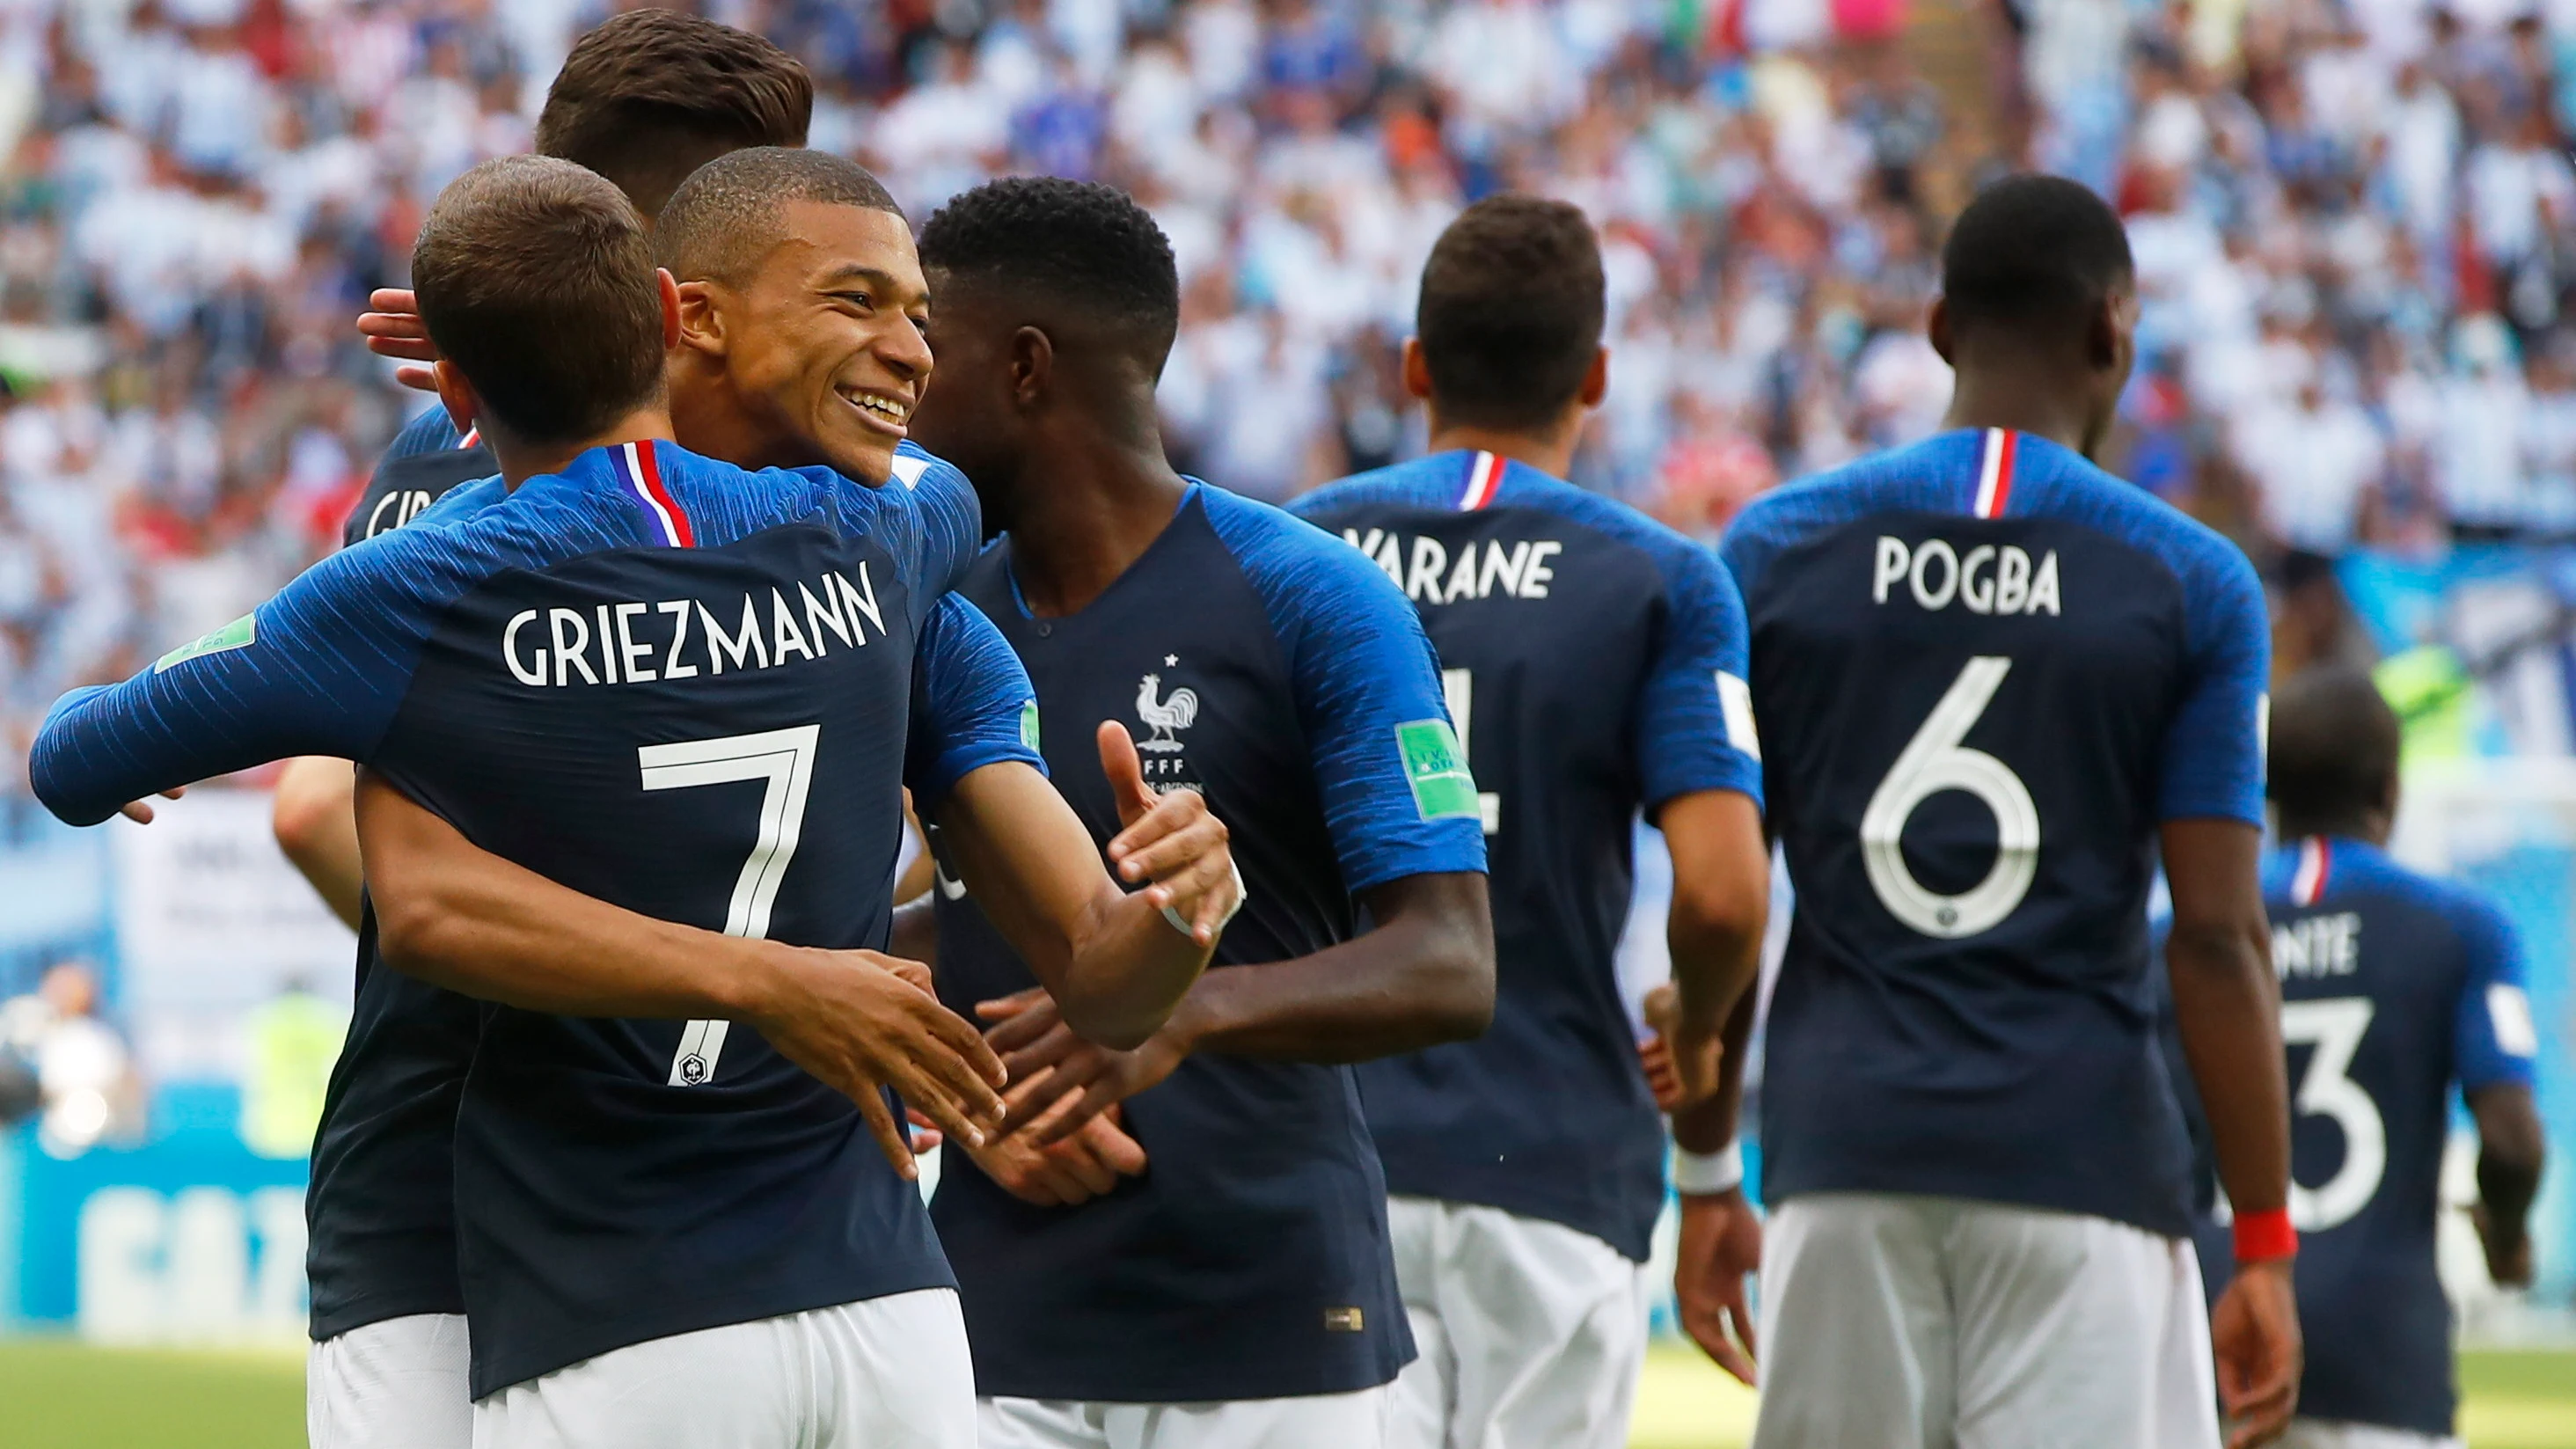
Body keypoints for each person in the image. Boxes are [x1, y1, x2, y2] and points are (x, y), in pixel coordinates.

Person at [29, 156, 1231, 1449]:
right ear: (680, 314)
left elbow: (85, 755)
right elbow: (940, 488)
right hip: (886, 1305)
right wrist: (1181, 915)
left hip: (596, 1300)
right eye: (857, 302)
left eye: (915, 316)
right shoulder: (888, 543)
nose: (905, 356)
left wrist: (500, 370)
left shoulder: (415, 580)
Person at [901, 175, 1496, 1449]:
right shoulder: (931, 613)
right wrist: (963, 1093)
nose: (897, 378)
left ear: (1022, 367)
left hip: (1272, 1337)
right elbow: (907, 920)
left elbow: (1450, 959)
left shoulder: (1312, 595)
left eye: (924, 344)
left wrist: (1177, 1006)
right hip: (982, 1336)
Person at [1715, 172, 2303, 1449]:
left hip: (1840, 1146)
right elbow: (2215, 934)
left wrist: (1711, 1164)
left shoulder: (1771, 551)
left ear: (1937, 329)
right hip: (2082, 1154)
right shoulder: (2192, 579)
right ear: (2112, 333)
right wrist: (2260, 1235)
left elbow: (1728, 902)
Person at [1286, 194, 1769, 1448]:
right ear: (1596, 375)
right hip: (1554, 1159)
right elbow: (1722, 895)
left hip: (1327, 1152)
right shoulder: (1659, 575)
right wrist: (1700, 1025)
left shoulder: (1296, 548)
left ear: (1414, 365)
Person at [274, 7, 821, 932]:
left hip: (431, 1071)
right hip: (691, 1065)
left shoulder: (430, 453)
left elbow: (315, 809)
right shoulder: (802, 494)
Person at [2190, 668, 2545, 1449]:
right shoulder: (2459, 925)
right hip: (2382, 1353)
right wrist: (2506, 1237)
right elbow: (2514, 1139)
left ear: (2268, 787)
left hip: (2212, 1338)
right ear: (2390, 789)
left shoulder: (2190, 931)